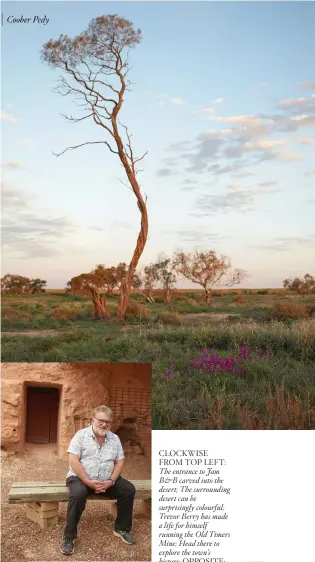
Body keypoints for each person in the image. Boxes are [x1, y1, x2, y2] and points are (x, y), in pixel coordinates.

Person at [60, 405, 136, 555]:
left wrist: (111, 481)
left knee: (128, 490)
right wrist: (88, 481)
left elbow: (119, 462)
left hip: (106, 480)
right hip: (80, 478)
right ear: (92, 420)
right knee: (78, 494)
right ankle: (69, 537)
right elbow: (73, 460)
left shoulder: (115, 438)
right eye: (100, 420)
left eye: (108, 421)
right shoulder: (80, 436)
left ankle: (121, 528)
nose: (104, 424)